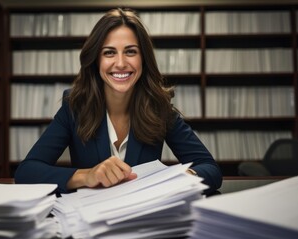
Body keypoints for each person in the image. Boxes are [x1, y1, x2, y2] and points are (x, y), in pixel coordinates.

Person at [14, 7, 222, 195]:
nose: (121, 63)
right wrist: (86, 176)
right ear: (96, 61)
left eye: (130, 51)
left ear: (143, 59)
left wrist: (179, 179)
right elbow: (27, 172)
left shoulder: (159, 108)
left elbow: (210, 169)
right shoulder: (74, 105)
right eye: (109, 53)